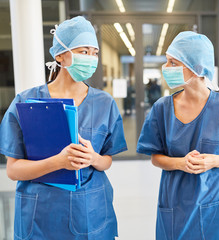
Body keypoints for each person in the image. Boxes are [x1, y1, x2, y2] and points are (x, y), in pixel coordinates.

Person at [0, 16, 127, 239]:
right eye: (83, 52)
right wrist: (58, 162)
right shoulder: (26, 102)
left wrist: (93, 158)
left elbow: (107, 159)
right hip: (40, 215)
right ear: (59, 55)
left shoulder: (105, 103)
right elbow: (13, 170)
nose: (91, 59)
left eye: (94, 53)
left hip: (89, 210)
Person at [137, 31, 219, 240]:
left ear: (196, 68)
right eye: (167, 61)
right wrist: (180, 163)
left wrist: (215, 161)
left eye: (173, 63)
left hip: (217, 204)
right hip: (176, 205)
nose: (166, 68)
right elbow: (155, 158)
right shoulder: (162, 109)